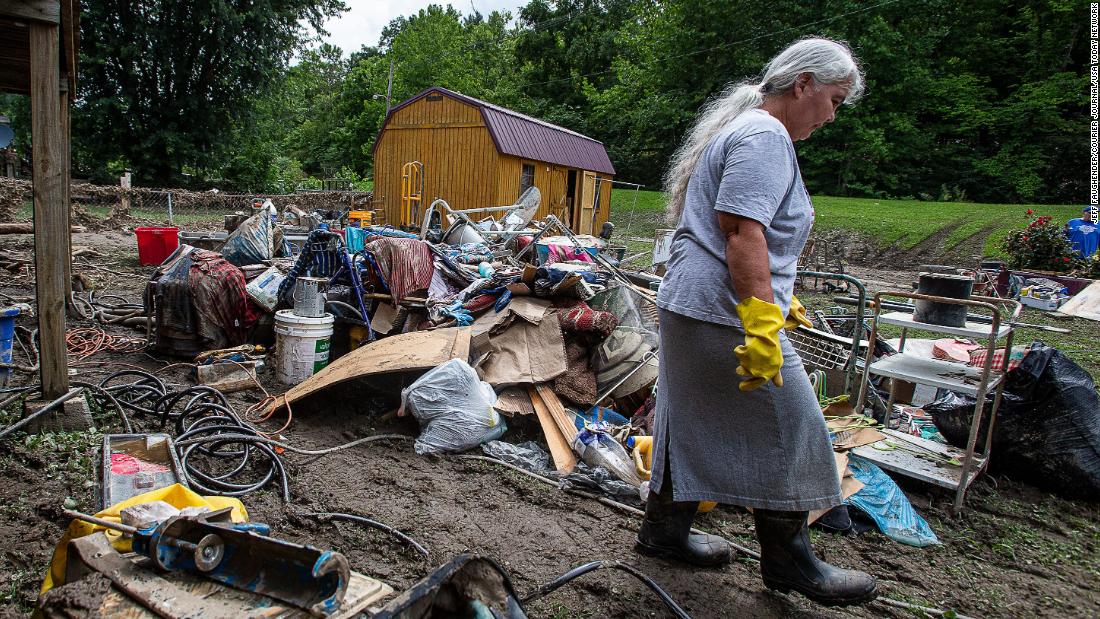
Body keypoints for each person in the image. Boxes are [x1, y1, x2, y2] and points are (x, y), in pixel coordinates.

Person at [635, 37, 877, 606]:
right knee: (792, 424)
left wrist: (777, 297)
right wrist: (762, 322)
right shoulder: (765, 136)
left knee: (687, 417)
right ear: (804, 85)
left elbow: (744, 234)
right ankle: (790, 562)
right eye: (835, 100)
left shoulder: (748, 128)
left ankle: (664, 532)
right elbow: (743, 231)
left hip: (697, 302)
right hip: (720, 308)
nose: (833, 115)